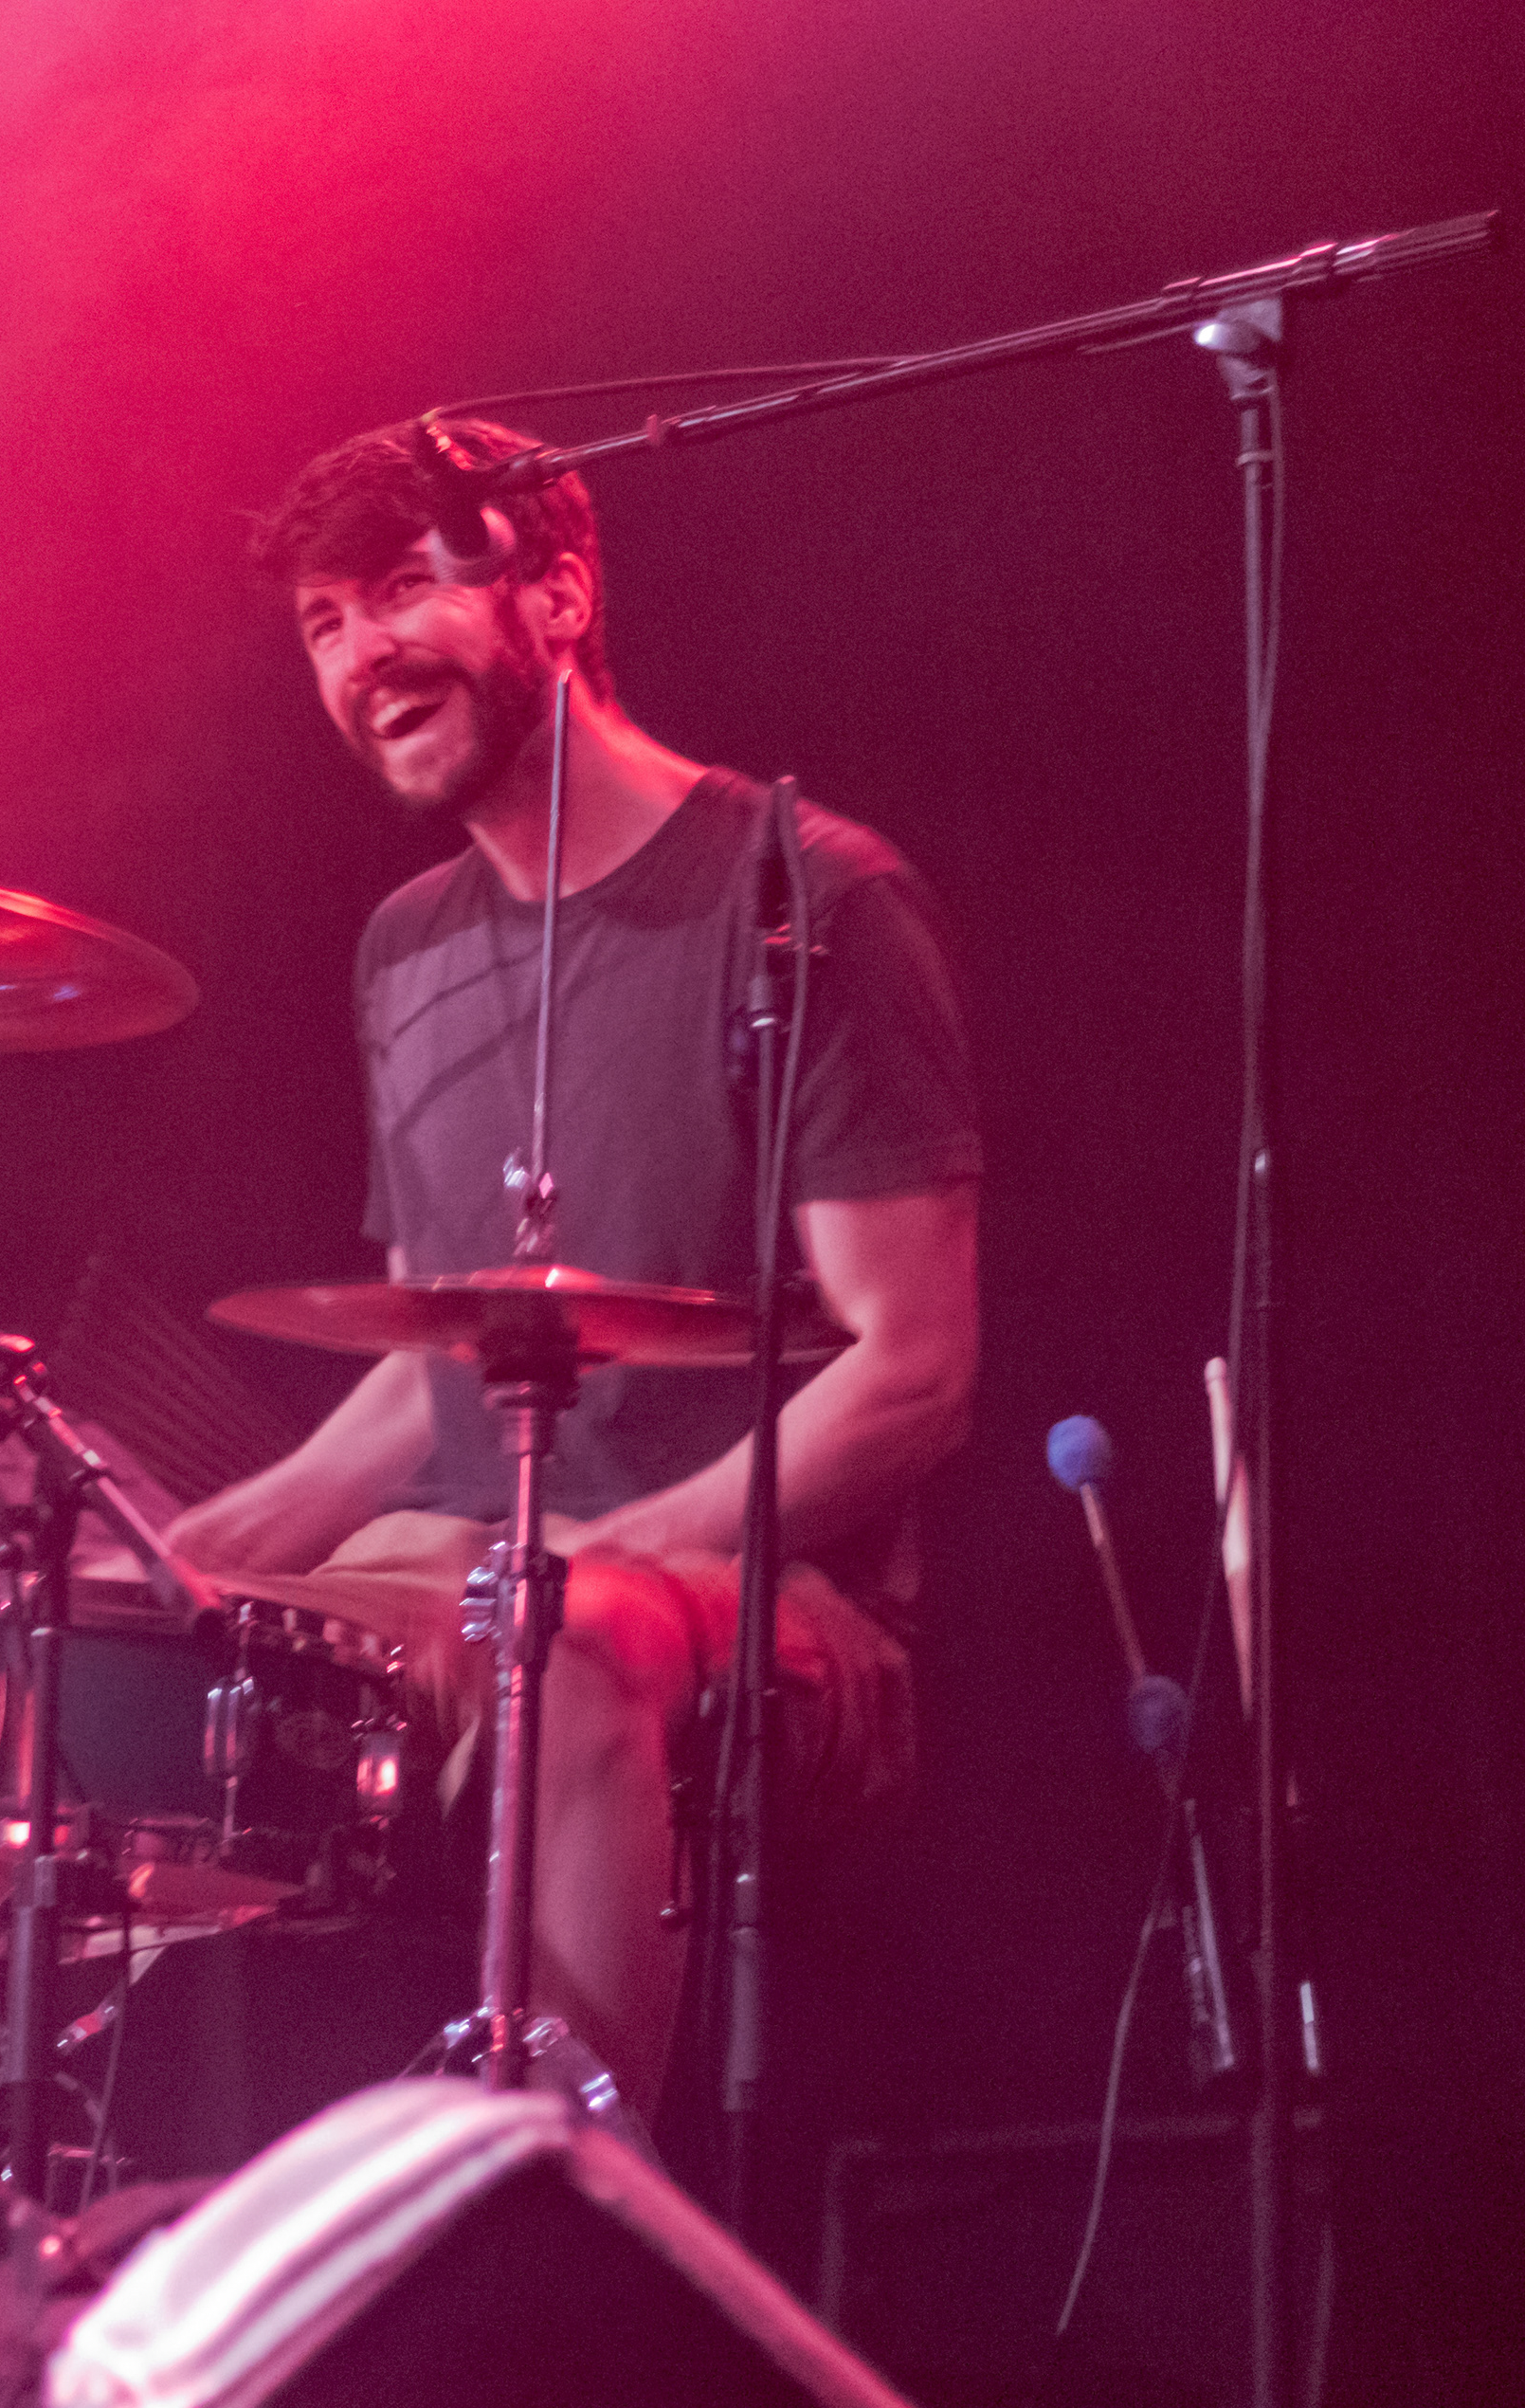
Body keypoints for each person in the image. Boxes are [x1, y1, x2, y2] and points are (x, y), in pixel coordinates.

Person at [169, 418, 983, 2132]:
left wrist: (606, 1547)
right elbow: (430, 1361)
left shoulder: (809, 898)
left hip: (762, 1599)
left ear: (558, 589)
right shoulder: (405, 945)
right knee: (35, 1681)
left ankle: (557, 2229)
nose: (359, 652)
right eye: (323, 621)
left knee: (573, 1635)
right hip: (458, 1559)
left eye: (401, 589)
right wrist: (215, 1545)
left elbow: (913, 1366)